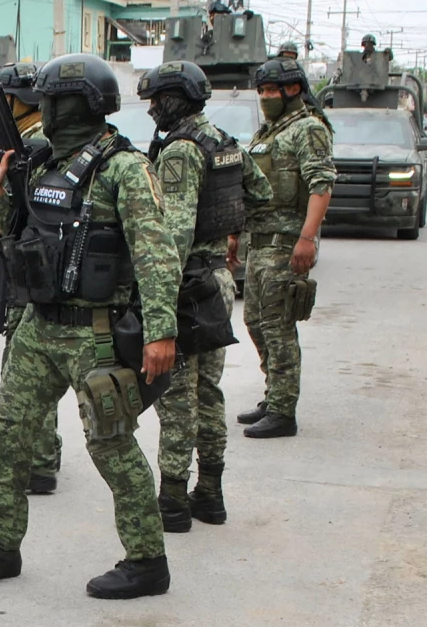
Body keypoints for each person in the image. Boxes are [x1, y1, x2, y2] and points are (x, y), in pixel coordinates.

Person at [0, 53, 182, 599]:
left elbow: (158, 255)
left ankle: (147, 561)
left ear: (73, 104)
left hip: (96, 332)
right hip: (39, 328)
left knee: (110, 446)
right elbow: (17, 230)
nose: (43, 110)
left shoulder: (124, 168)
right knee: (8, 438)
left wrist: (161, 331)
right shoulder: (36, 163)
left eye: (51, 101)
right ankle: (2, 547)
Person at [136, 60, 272, 532]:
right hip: (217, 282)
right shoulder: (225, 143)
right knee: (208, 393)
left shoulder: (179, 151)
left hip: (187, 285)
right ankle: (210, 494)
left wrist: (157, 305)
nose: (152, 109)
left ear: (176, 99)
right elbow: (260, 193)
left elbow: (172, 236)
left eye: (156, 100)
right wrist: (230, 238)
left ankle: (172, 501)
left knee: (176, 397)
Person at [0, 62, 64, 495]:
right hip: (24, 258)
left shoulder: (39, 142)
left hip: (35, 267)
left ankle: (40, 461)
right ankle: (42, 455)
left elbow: (38, 214)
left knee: (29, 370)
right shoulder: (27, 141)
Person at [236, 59, 336, 438]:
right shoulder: (269, 132)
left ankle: (283, 410)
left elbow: (321, 185)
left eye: (271, 91)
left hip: (285, 243)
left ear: (292, 90)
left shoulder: (308, 129)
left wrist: (307, 238)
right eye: (261, 91)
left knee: (279, 327)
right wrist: (236, 238)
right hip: (258, 243)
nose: (265, 97)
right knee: (255, 323)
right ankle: (273, 393)